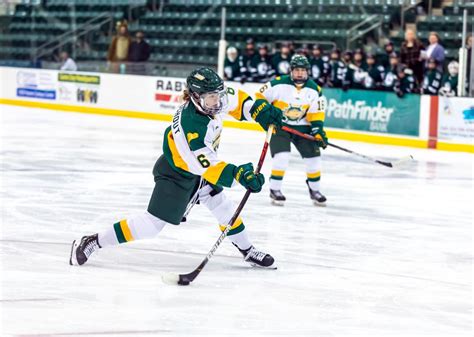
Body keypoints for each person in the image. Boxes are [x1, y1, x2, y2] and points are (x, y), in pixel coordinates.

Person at [69, 67, 283, 269]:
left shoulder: (212, 98)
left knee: (224, 208)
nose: (218, 102)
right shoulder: (190, 128)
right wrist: (240, 175)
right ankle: (94, 241)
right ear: (196, 97)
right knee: (151, 226)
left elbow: (238, 101)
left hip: (202, 170)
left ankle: (247, 250)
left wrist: (258, 111)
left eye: (218, 96)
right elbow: (207, 166)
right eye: (211, 98)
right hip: (178, 174)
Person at [256, 55, 328, 206]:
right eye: (297, 70)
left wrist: (318, 130)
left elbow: (316, 113)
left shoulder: (315, 90)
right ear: (291, 71)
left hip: (303, 127)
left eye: (303, 70)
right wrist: (267, 114)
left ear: (308, 72)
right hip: (279, 126)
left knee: (314, 160)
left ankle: (314, 189)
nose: (300, 73)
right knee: (282, 157)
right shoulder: (278, 83)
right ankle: (275, 189)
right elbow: (259, 96)